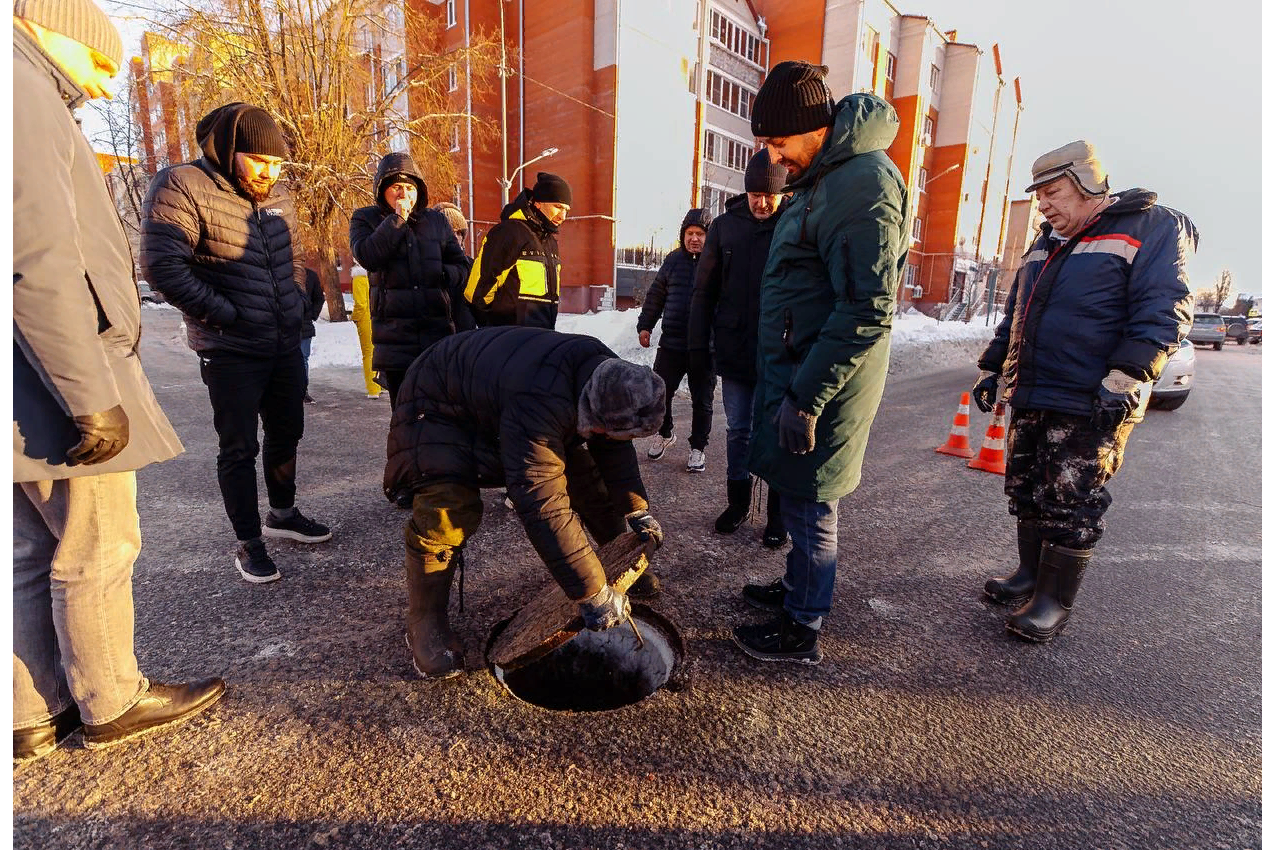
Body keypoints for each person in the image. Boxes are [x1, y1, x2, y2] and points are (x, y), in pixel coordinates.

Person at [13, 0, 225, 761]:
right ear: (53, 25)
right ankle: (111, 699)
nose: (105, 82)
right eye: (101, 60)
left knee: (30, 552)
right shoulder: (25, 92)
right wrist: (87, 392)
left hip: (20, 383)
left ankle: (32, 713)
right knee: (97, 547)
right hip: (56, 382)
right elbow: (37, 259)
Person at [973, 140, 1195, 642]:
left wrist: (1127, 378)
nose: (1045, 204)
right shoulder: (1045, 241)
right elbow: (1016, 313)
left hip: (1091, 396)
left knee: (1070, 497)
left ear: (1088, 184)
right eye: (1040, 196)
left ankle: (1053, 602)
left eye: (1054, 192)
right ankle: (1030, 576)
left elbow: (1164, 310)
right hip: (1034, 389)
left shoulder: (1150, 227)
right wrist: (993, 368)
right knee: (1026, 488)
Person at [733, 62, 910, 664]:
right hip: (802, 366)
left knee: (812, 499)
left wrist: (807, 397)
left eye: (778, 141)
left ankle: (803, 625)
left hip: (827, 381)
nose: (772, 154)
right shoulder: (825, 175)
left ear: (814, 126)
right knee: (797, 488)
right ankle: (794, 590)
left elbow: (866, 309)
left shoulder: (863, 184)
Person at [383, 327, 667, 678]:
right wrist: (591, 593)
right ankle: (425, 619)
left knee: (590, 480)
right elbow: (542, 504)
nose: (610, 436)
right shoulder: (541, 401)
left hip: (498, 395)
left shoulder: (604, 377)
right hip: (437, 404)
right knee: (447, 509)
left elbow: (613, 445)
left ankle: (614, 567)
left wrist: (636, 508)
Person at [141, 102, 332, 585]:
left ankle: (283, 515)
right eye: (259, 162)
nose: (269, 173)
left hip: (283, 340)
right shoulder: (182, 186)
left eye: (278, 165)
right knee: (239, 446)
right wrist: (226, 315)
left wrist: (296, 304)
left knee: (287, 430)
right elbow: (164, 268)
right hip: (229, 349)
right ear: (228, 151)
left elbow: (289, 257)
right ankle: (249, 541)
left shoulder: (278, 193)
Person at [349, 152, 472, 508]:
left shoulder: (436, 222)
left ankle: (443, 476)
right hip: (396, 337)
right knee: (404, 415)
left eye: (410, 188)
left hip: (437, 334)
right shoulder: (367, 219)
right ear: (382, 190)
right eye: (396, 188)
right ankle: (404, 482)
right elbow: (369, 255)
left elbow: (461, 264)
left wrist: (445, 277)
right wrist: (396, 221)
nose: (404, 194)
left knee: (444, 411)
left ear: (420, 189)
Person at [689, 150, 790, 546]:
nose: (762, 203)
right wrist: (698, 347)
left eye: (770, 195)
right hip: (734, 349)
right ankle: (738, 504)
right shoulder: (725, 228)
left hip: (781, 352)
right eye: (754, 194)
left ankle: (777, 516)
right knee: (739, 431)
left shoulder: (793, 224)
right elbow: (704, 291)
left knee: (778, 432)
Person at [636, 209, 715, 472]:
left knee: (702, 399)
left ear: (708, 236)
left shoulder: (718, 262)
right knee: (660, 392)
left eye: (700, 234)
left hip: (704, 346)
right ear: (683, 235)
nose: (694, 239)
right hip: (672, 343)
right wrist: (645, 325)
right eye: (690, 233)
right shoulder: (672, 261)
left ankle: (697, 448)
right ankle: (666, 432)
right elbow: (656, 295)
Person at [464, 173, 570, 329]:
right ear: (538, 203)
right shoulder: (509, 233)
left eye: (567, 210)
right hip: (509, 342)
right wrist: (496, 331)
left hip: (541, 340)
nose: (563, 216)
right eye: (558, 207)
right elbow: (476, 294)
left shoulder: (550, 242)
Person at [349, 263, 384, 399]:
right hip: (379, 318)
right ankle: (381, 384)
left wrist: (355, 317)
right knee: (379, 351)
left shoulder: (359, 278)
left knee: (368, 354)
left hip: (366, 319)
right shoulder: (377, 275)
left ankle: (373, 388)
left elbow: (360, 304)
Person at [299, 264, 325, 404]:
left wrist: (312, 315)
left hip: (304, 325)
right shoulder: (282, 273)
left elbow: (319, 298)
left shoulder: (311, 276)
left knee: (303, 358)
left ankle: (303, 390)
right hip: (286, 325)